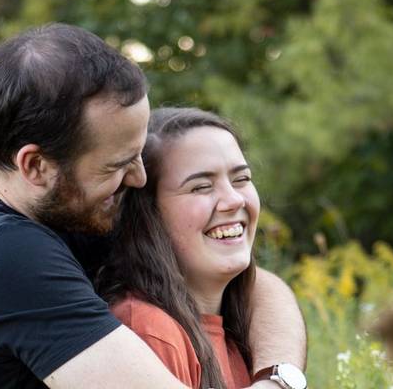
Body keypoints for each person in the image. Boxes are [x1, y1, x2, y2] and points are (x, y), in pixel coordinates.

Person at [0, 24, 306, 388]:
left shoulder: (66, 215)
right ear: (35, 165)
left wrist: (277, 377)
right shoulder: (2, 253)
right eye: (117, 164)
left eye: (138, 155)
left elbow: (257, 285)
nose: (139, 179)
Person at [98, 108, 306, 389]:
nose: (233, 200)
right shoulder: (149, 331)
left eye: (241, 179)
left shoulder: (243, 329)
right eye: (201, 187)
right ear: (147, 213)